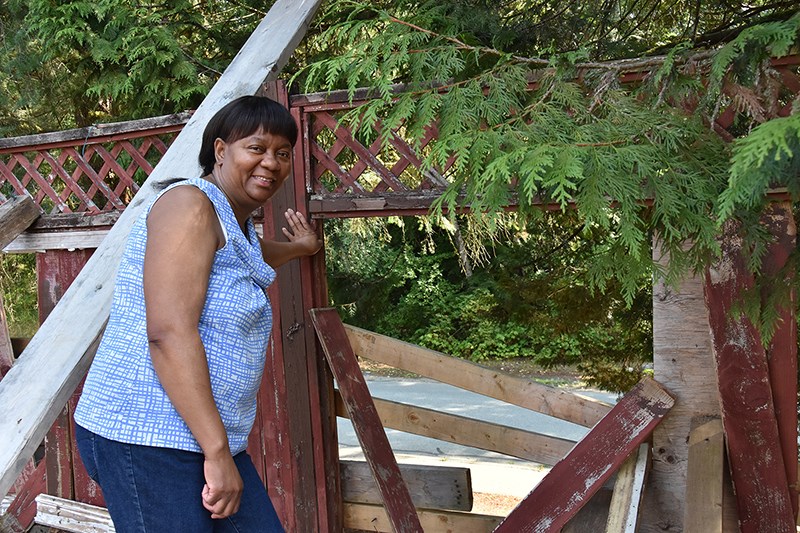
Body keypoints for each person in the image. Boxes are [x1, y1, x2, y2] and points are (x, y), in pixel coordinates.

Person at [73, 95, 321, 532]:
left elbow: (246, 254)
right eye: (257, 148)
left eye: (283, 153)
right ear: (221, 150)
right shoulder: (188, 205)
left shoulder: (230, 222)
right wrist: (218, 453)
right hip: (145, 433)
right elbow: (168, 332)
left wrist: (301, 248)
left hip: (200, 437)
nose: (271, 162)